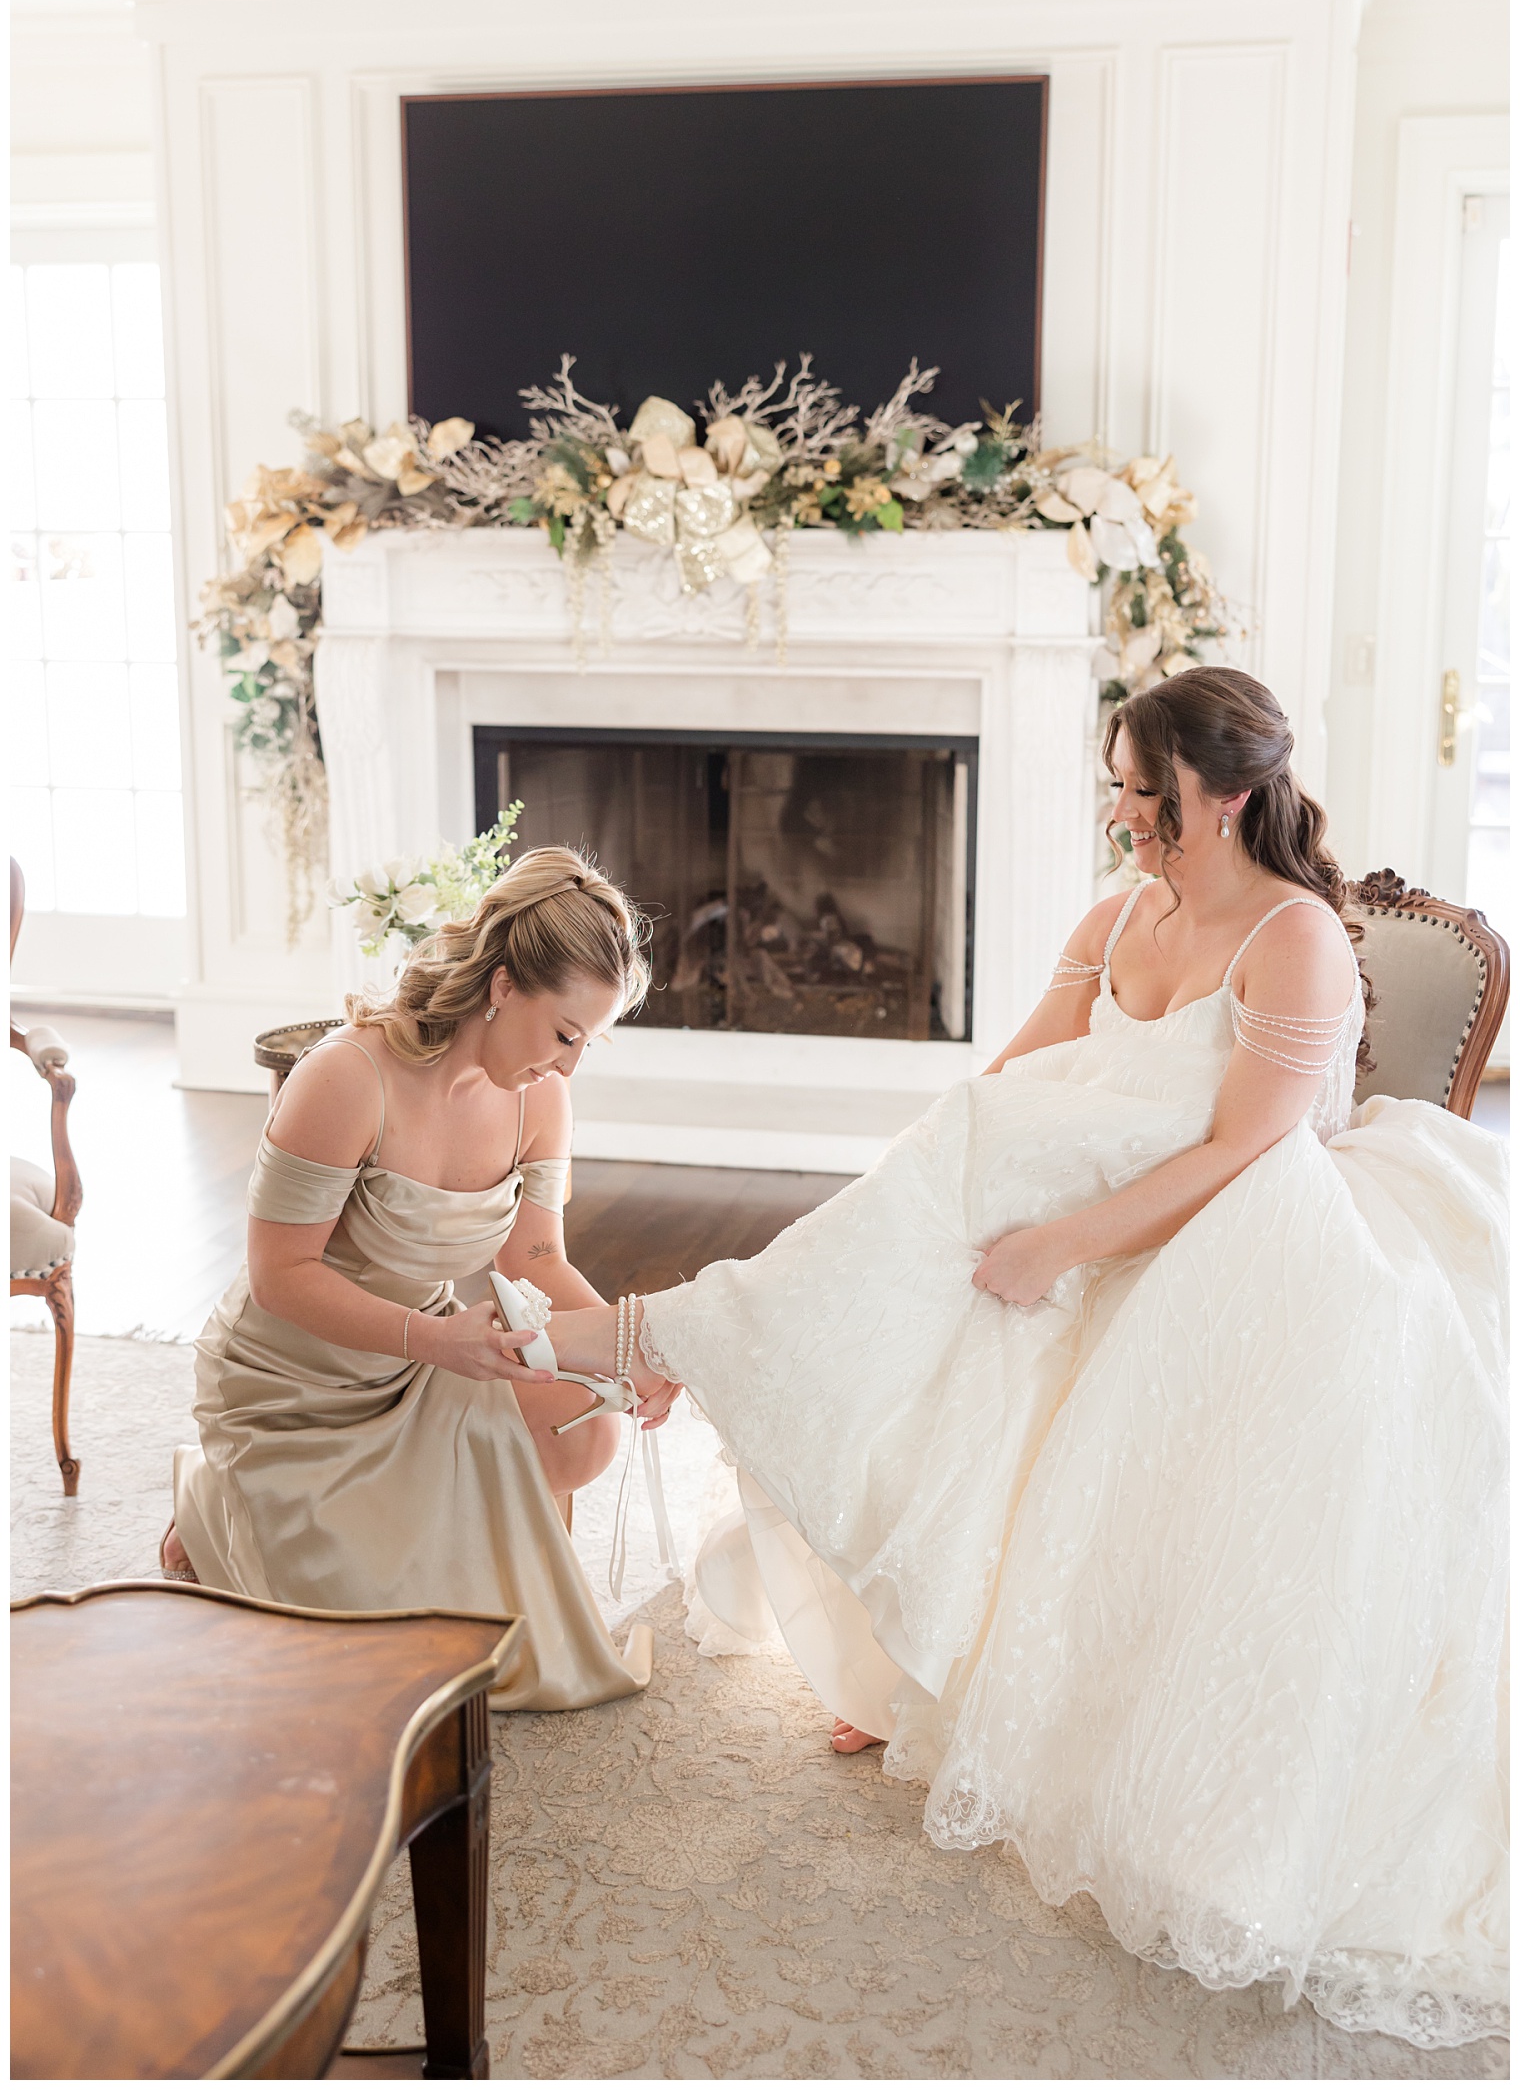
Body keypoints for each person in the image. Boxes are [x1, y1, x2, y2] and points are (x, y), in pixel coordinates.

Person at [525, 669, 1507, 2046]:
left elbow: (1246, 1148)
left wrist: (1059, 1243)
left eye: (1145, 793)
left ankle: (663, 1338)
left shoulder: (1293, 940)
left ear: (1227, 796)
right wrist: (922, 1202)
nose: (1122, 817)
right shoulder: (1115, 920)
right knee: (943, 1207)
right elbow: (1003, 1084)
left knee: (982, 1259)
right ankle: (739, 1409)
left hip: (1247, 1230)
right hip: (1085, 1194)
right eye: (1116, 787)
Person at [165, 845, 679, 1711]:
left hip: (427, 1353)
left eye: (588, 1043)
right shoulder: (347, 1076)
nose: (569, 1065)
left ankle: (454, 1533)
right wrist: (438, 1340)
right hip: (295, 1375)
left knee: (588, 1427)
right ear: (504, 984)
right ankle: (213, 1504)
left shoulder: (540, 1098)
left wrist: (637, 1347)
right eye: (565, 1035)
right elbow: (279, 1273)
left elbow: (534, 1258)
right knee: (368, 1673)